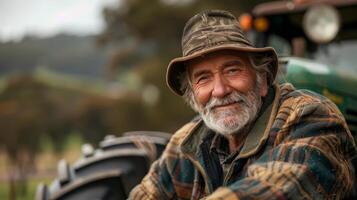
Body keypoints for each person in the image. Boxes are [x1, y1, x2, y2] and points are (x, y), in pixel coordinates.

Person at [129, 10, 356, 199]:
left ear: (263, 78)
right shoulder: (188, 143)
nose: (220, 90)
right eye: (203, 78)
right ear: (193, 95)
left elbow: (278, 190)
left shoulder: (311, 116)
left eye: (232, 70)